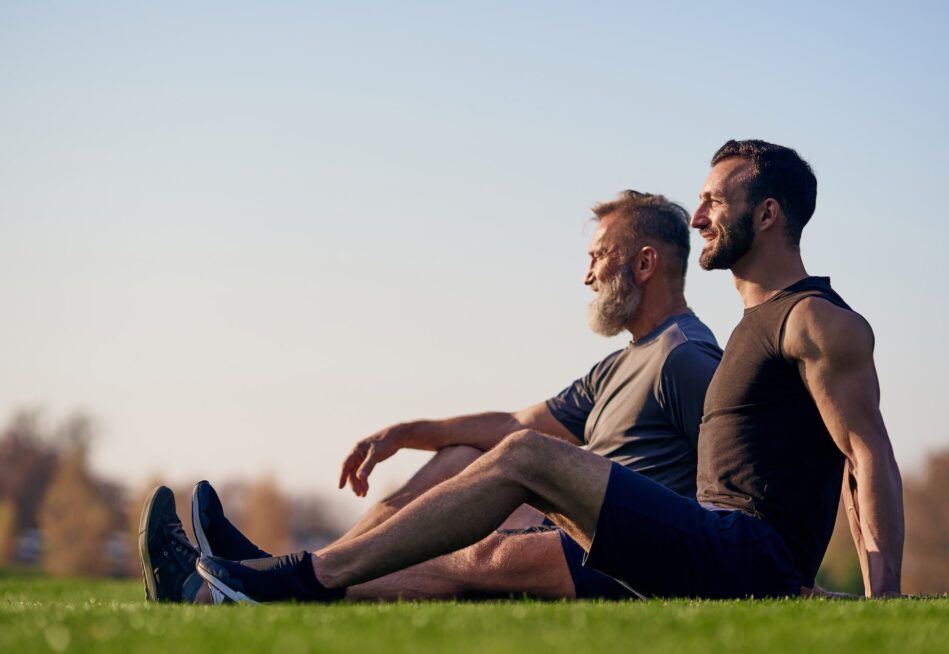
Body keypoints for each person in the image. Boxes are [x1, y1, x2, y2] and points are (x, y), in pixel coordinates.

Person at [139, 190, 723, 603]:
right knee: (461, 457)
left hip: (626, 558)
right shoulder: (623, 363)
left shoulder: (685, 358)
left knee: (481, 555)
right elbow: (518, 423)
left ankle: (253, 582)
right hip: (584, 534)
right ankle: (267, 574)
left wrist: (781, 576)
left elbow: (733, 490)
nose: (587, 275)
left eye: (598, 256)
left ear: (645, 264)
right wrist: (406, 433)